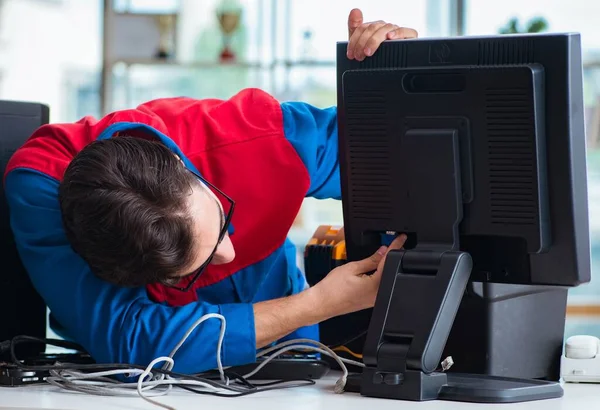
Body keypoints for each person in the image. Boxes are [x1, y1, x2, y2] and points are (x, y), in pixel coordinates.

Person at [3, 9, 414, 374]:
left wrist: (406, 77)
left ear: (184, 166)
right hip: (160, 382)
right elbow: (130, 339)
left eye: (221, 221)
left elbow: (394, 158)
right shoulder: (40, 188)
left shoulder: (258, 134)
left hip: (292, 345)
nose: (229, 253)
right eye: (192, 269)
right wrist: (320, 303)